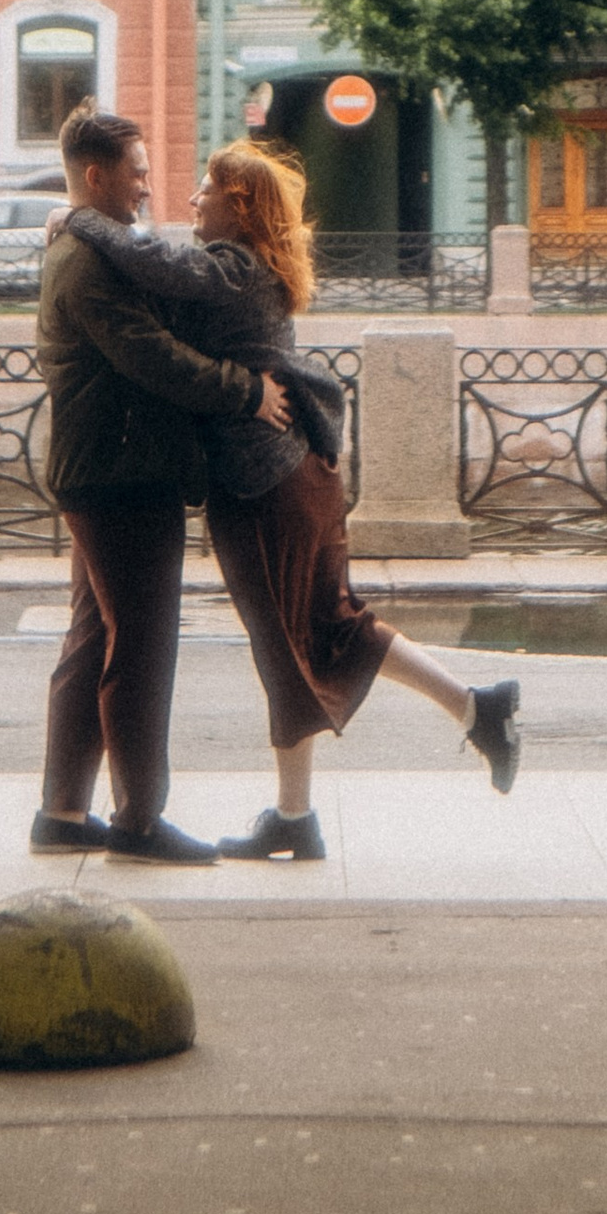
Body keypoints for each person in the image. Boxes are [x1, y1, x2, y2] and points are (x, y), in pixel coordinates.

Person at [62, 139, 520, 860]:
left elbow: (160, 264)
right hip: (284, 480)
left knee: (299, 637)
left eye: (207, 188)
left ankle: (455, 720)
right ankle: (318, 803)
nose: (192, 199)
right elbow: (163, 271)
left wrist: (83, 219)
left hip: (268, 486)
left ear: (239, 206)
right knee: (317, 631)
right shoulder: (245, 267)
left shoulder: (236, 269)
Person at [32, 105, 292, 868]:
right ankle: (139, 821)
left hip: (106, 468)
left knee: (92, 638)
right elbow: (153, 356)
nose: (150, 187)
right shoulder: (86, 261)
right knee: (139, 648)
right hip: (121, 473)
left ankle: (63, 810)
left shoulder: (90, 246)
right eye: (138, 173)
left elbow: (162, 278)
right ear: (95, 176)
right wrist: (246, 391)